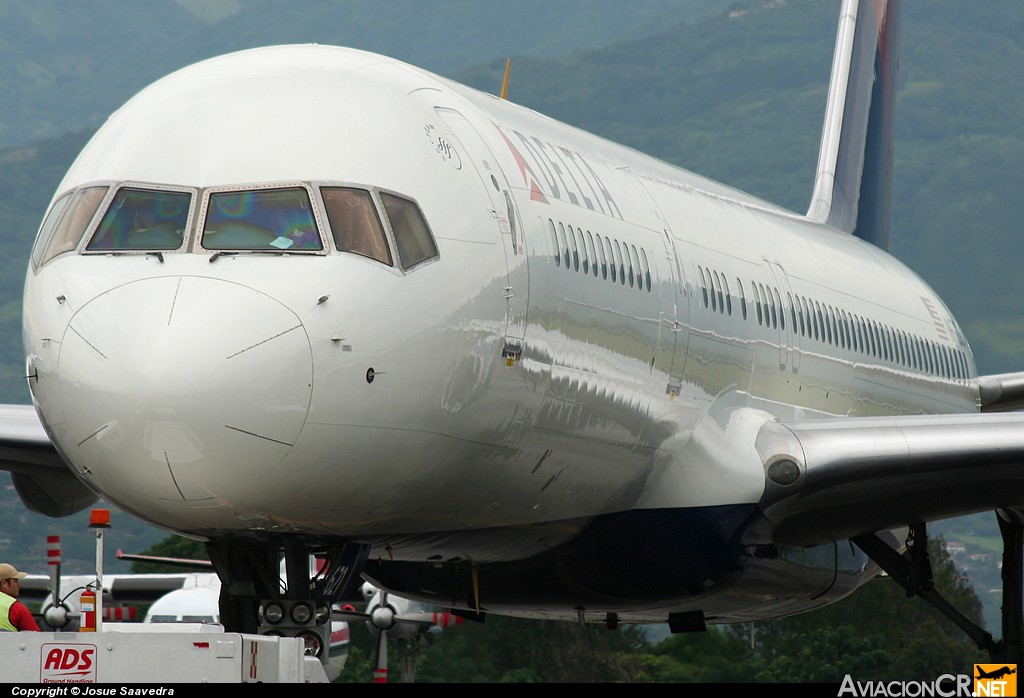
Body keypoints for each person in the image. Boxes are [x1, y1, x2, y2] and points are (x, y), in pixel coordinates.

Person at [0, 563, 40, 631]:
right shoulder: (15, 607)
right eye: (15, 581)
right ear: (4, 583)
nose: (19, 585)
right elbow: (36, 637)